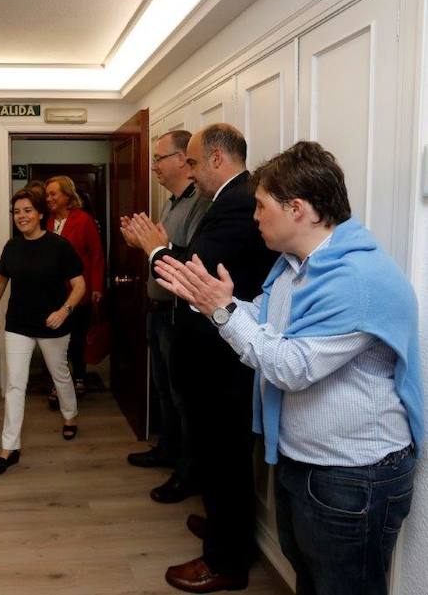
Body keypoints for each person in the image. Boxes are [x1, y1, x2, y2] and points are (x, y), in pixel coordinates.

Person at [154, 141, 422, 595]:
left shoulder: (356, 281)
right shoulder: (294, 266)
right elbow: (262, 316)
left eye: (261, 206)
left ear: (297, 209)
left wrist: (221, 311)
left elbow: (289, 366)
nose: (254, 217)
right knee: (312, 579)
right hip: (308, 462)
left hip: (352, 475)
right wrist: (212, 301)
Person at [122, 123, 277, 592]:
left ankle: (225, 563)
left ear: (215, 159)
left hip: (222, 363)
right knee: (219, 460)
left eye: (191, 161)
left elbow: (195, 276)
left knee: (224, 459)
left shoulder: (236, 202)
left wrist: (154, 250)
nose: (188, 170)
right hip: (216, 356)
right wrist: (164, 248)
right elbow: (198, 259)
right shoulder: (226, 200)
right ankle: (229, 536)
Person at [123, 130, 210, 506]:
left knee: (181, 396)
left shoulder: (200, 205)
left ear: (182, 161)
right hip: (157, 310)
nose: (154, 166)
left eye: (159, 158)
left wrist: (154, 245)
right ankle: (166, 450)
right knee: (163, 390)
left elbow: (189, 259)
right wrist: (143, 244)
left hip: (179, 316)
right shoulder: (171, 202)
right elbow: (160, 250)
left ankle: (187, 473)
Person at [0, 188, 85, 475]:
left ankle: (70, 416)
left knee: (60, 374)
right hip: (18, 324)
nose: (22, 216)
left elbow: (79, 285)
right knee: (15, 384)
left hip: (52, 324)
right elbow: (0, 280)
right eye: (17, 211)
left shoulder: (59, 246)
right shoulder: (12, 247)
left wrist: (64, 311)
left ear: (41, 213)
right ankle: (9, 447)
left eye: (27, 210)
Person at [45, 175, 104, 403]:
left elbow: (96, 254)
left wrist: (97, 286)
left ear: (67, 196)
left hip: (79, 289)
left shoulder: (84, 220)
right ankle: (58, 382)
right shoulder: (48, 221)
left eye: (53, 194)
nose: (49, 198)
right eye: (48, 194)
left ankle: (79, 377)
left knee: (77, 338)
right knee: (56, 339)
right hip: (53, 292)